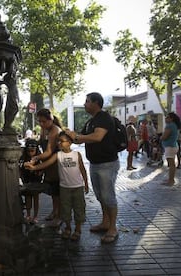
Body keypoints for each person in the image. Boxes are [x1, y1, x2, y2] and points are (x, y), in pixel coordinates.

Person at [65, 92, 120, 244]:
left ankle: (113, 228)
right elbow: (79, 138)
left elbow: (97, 137)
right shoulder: (91, 122)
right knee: (100, 196)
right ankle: (105, 222)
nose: (84, 104)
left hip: (107, 164)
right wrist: (69, 135)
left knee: (108, 196)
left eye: (87, 101)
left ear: (96, 103)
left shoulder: (104, 118)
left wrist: (77, 137)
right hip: (95, 164)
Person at [26, 132, 88, 241]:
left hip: (77, 187)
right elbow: (47, 163)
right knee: (65, 209)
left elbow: (82, 169)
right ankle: (68, 228)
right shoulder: (58, 155)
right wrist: (35, 168)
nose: (59, 143)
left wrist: (86, 183)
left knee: (79, 209)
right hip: (64, 188)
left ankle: (78, 230)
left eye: (62, 141)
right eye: (58, 141)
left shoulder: (77, 154)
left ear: (69, 143)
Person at [31, 108, 63, 226]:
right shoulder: (44, 129)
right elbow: (40, 142)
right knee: (53, 191)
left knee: (58, 191)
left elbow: (49, 151)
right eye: (39, 121)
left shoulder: (55, 130)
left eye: (44, 121)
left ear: (51, 120)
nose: (41, 124)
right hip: (49, 164)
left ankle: (59, 215)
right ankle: (54, 211)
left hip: (56, 163)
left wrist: (36, 158)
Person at [19, 139, 44, 224]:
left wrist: (38, 170)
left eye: (33, 149)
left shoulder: (39, 157)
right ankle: (29, 215)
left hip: (36, 181)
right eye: (29, 149)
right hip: (27, 181)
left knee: (36, 198)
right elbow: (19, 165)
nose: (31, 151)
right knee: (28, 198)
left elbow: (43, 166)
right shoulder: (23, 157)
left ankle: (35, 216)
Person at [161, 112, 181, 186]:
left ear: (171, 119)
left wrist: (161, 137)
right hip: (173, 145)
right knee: (171, 164)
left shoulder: (169, 126)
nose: (165, 118)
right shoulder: (174, 125)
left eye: (167, 117)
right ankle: (170, 179)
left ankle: (171, 180)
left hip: (170, 146)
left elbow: (165, 136)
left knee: (171, 164)